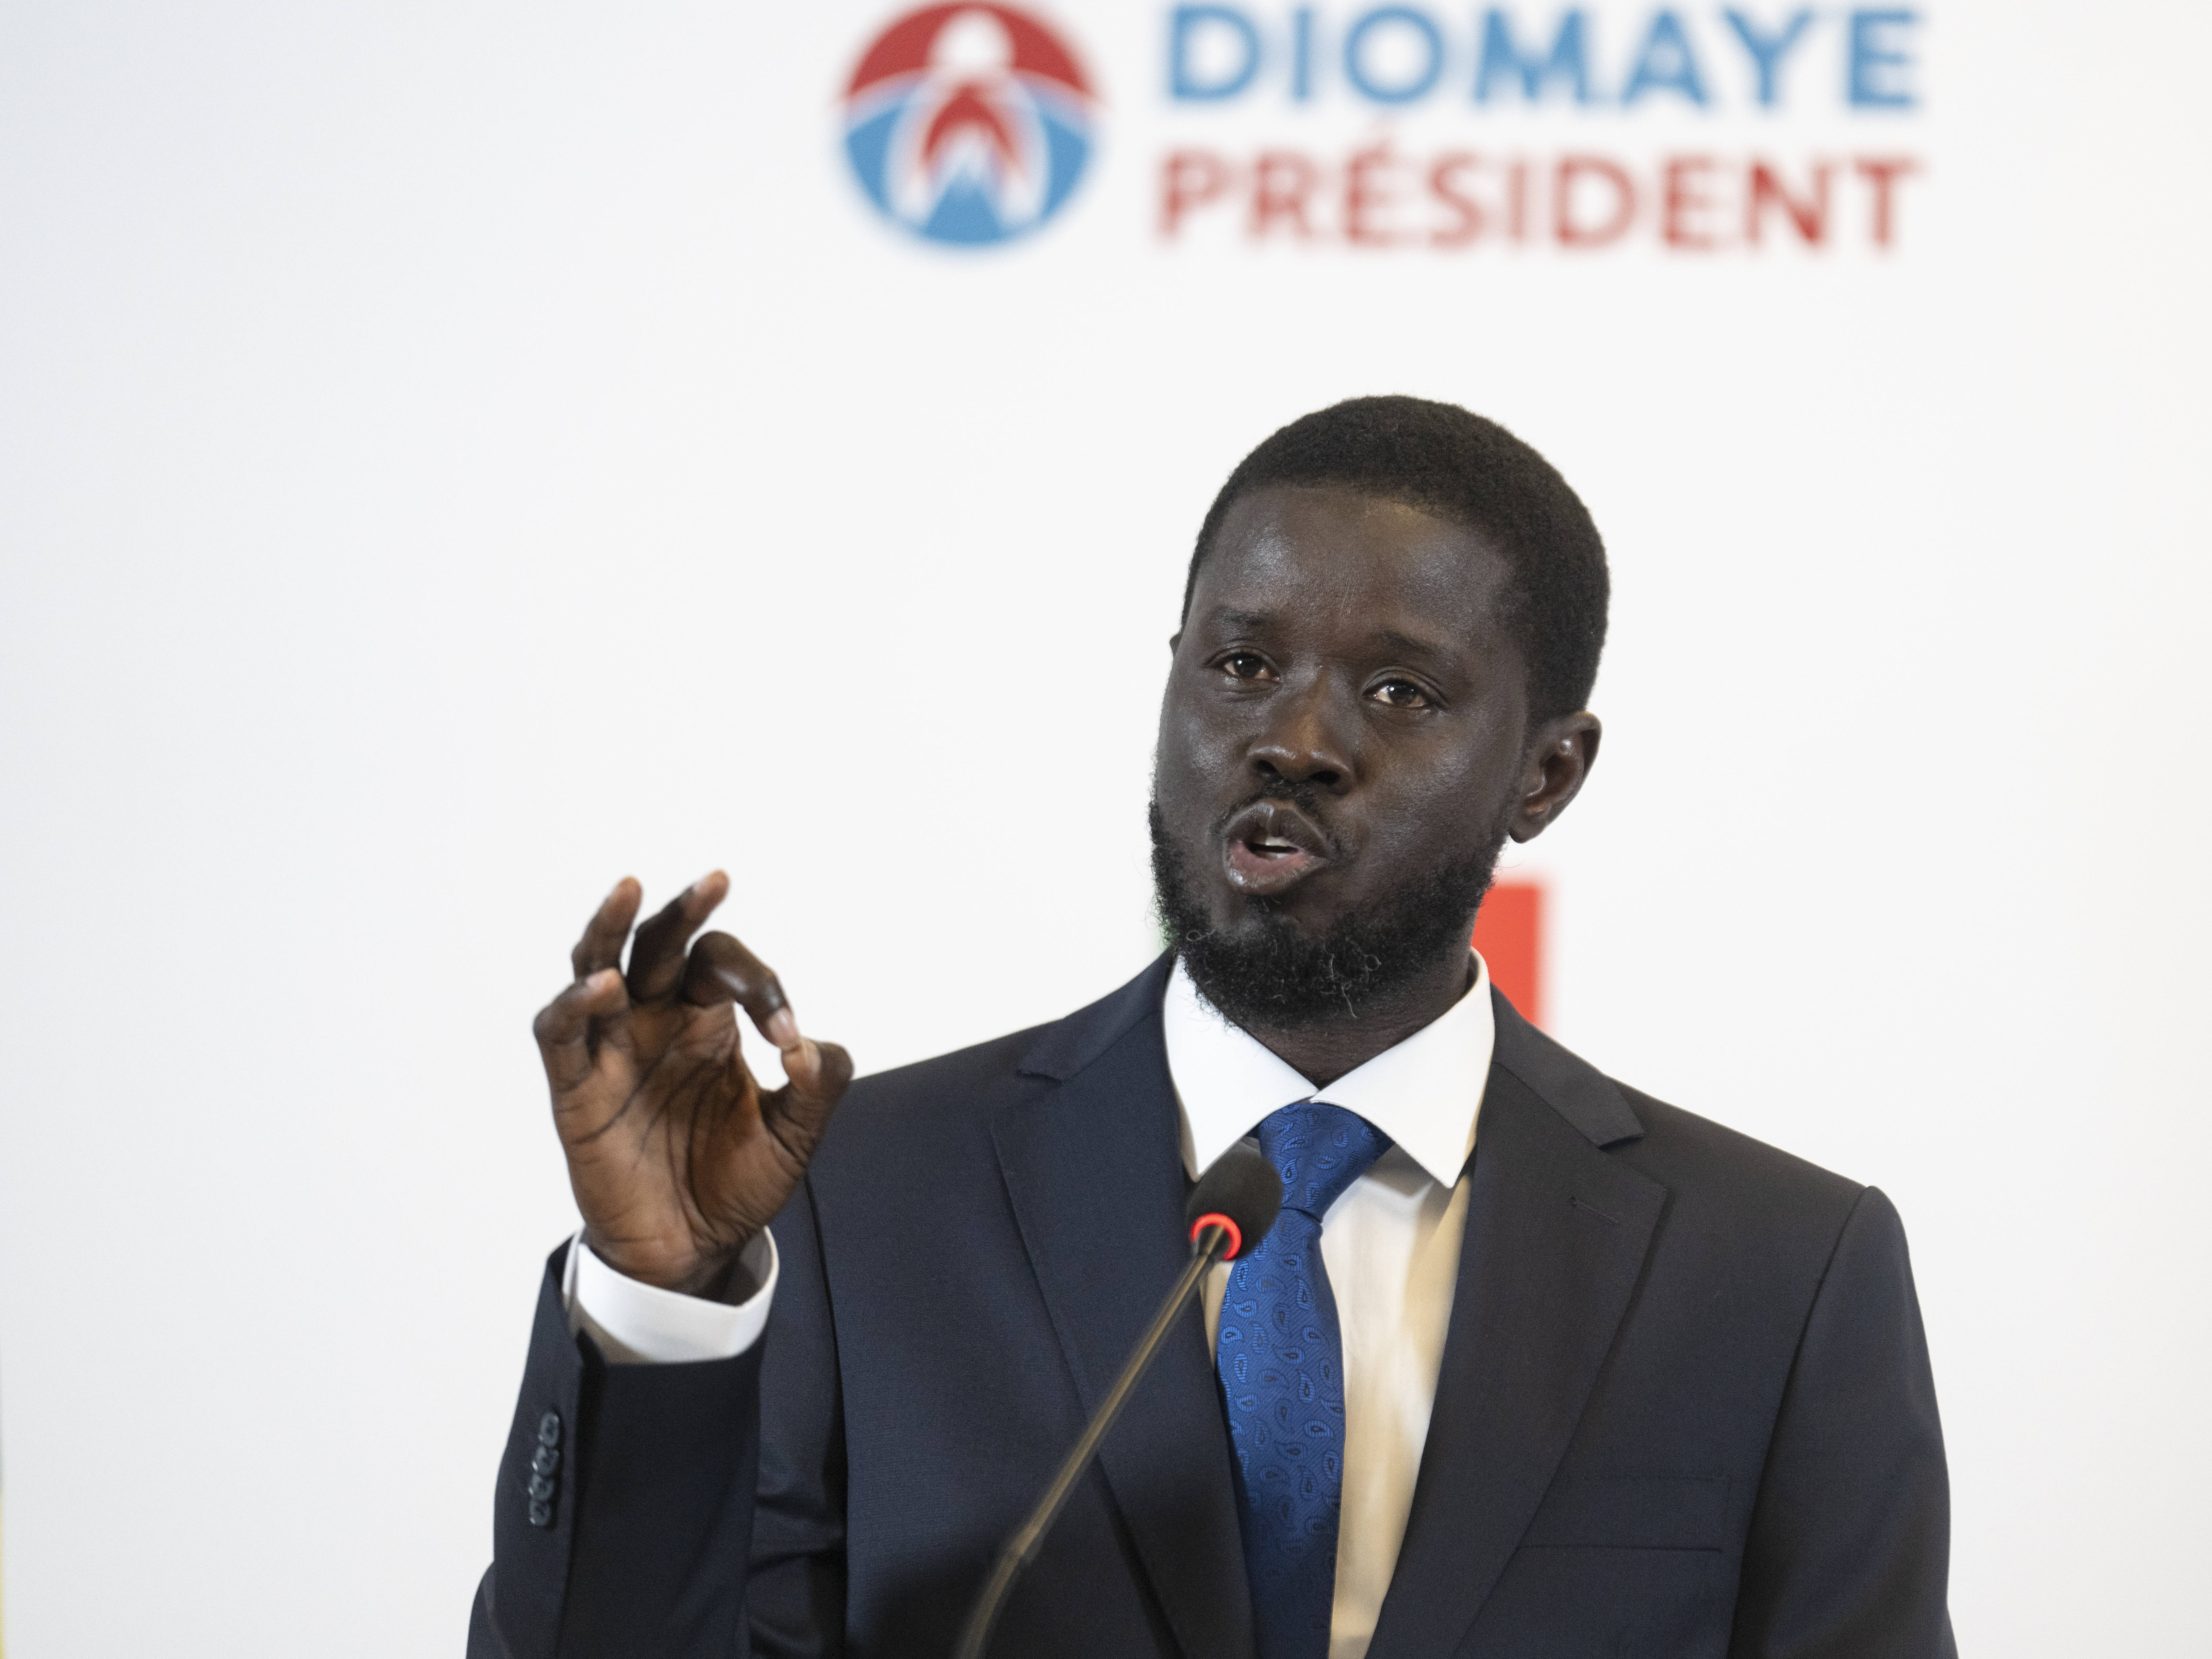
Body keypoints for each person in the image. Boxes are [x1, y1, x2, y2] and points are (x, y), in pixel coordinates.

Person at [469, 396, 1955, 1659]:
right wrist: (661, 1306)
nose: (1295, 739)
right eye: (1240, 664)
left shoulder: (1777, 1274)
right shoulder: (855, 1197)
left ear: (1546, 774)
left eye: (1397, 688)